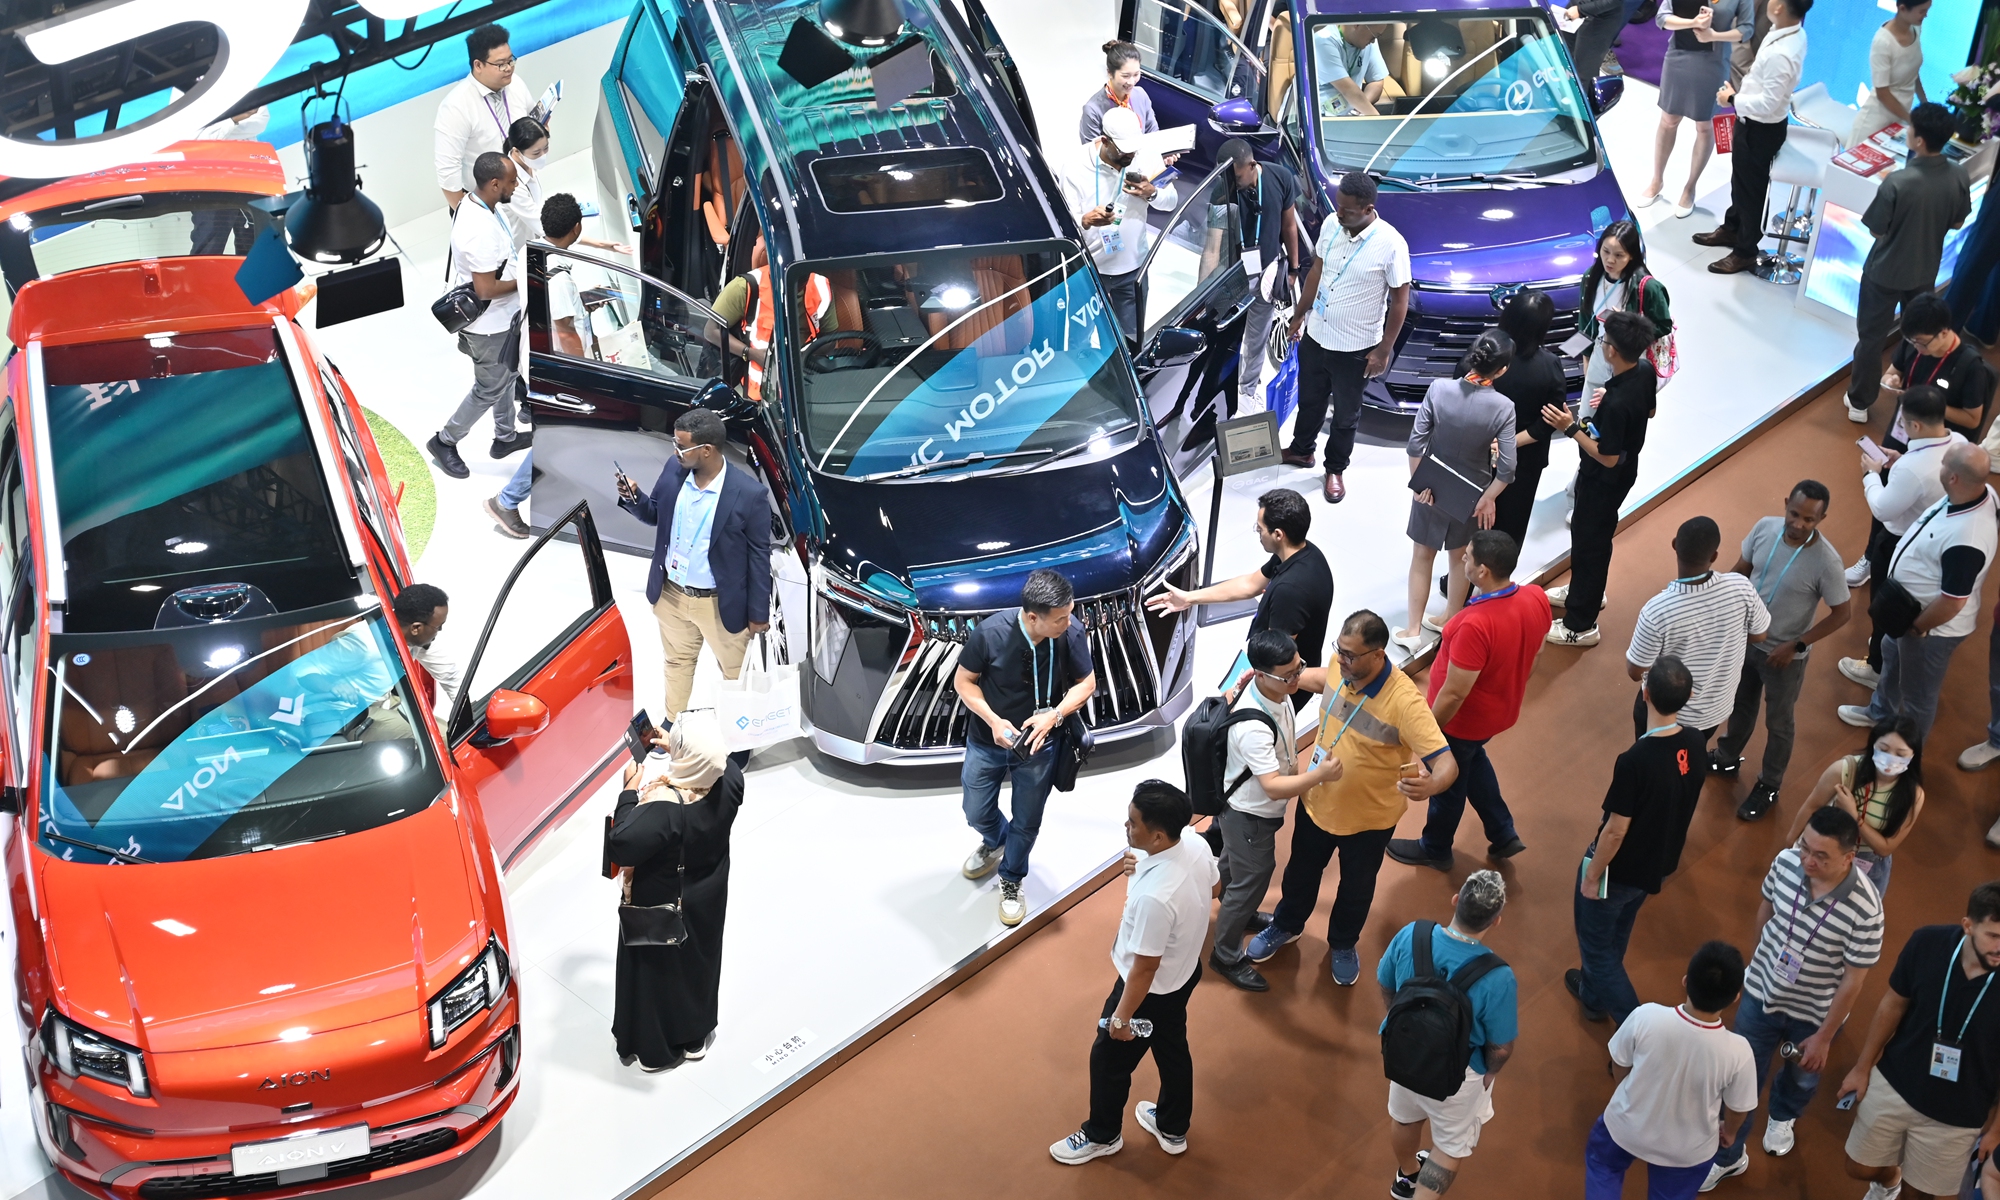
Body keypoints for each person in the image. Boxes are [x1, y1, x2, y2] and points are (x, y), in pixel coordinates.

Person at [1245, 610, 1457, 986]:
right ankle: (1286, 925)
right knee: (1299, 874)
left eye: (1350, 655)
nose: (1341, 660)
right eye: (1339, 650)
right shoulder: (1338, 668)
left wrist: (1431, 785)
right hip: (1316, 802)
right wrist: (1266, 682)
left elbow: (1446, 763)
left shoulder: (1405, 702)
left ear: (1378, 655)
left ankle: (1342, 944)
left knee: (1356, 888)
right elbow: (1311, 679)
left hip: (1369, 822)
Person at [1704, 807, 1882, 1189]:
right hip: (1761, 995)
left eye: (1821, 856)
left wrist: (1824, 1037)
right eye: (1805, 848)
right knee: (1740, 1076)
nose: (1808, 861)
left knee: (1801, 1080)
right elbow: (1766, 908)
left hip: (1815, 1014)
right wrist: (1753, 967)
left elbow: (1853, 981)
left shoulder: (1867, 909)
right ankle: (1728, 1156)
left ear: (1850, 858)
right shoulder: (1786, 863)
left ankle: (1783, 1115)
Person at [1050, 780, 1217, 1165]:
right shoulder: (1194, 842)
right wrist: (1143, 866)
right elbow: (1215, 885)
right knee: (1172, 1047)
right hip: (1184, 974)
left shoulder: (1154, 898)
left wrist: (1121, 1018)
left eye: (1133, 823)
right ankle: (1173, 1127)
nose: (1127, 828)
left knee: (1108, 1060)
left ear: (1158, 835)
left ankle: (1102, 1134)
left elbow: (1144, 968)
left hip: (1150, 993)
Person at [1389, 530, 1548, 871]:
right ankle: (1502, 831)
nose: (1462, 559)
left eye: (1468, 557)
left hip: (1463, 722)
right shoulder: (1535, 597)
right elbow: (1536, 654)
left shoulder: (1474, 624)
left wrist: (1427, 733)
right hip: (1500, 713)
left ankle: (1435, 847)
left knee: (1449, 781)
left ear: (1482, 571)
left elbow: (1455, 691)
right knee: (1474, 762)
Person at [1567, 656, 1708, 1024]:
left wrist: (1593, 873)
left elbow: (1615, 829)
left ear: (1645, 694)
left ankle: (1636, 1028)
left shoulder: (1635, 760)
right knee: (1620, 928)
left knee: (1596, 948)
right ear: (1689, 695)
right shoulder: (1694, 742)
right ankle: (1593, 995)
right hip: (1658, 863)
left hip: (1621, 869)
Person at [956, 569, 1099, 928]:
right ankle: (995, 840)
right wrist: (991, 718)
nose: (1069, 623)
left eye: (1070, 614)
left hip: (1041, 745)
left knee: (1028, 819)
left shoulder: (1071, 632)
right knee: (974, 809)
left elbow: (1087, 683)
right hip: (987, 740)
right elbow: (964, 682)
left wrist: (1055, 715)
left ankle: (1012, 878)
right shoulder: (989, 633)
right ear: (1032, 617)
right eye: (1061, 618)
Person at [1838, 884, 2000, 1200]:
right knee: (1858, 1167)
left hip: (1958, 1115)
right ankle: (1889, 1180)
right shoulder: (1927, 943)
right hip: (1897, 1081)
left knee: (1919, 1196)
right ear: (1968, 926)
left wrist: (1996, 1130)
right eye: (1993, 936)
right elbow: (1892, 1004)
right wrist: (1862, 1067)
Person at [615, 408, 773, 727]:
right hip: (671, 594)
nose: (674, 451)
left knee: (735, 676)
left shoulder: (750, 495)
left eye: (681, 446)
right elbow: (655, 515)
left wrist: (758, 615)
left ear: (706, 450)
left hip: (719, 604)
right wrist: (635, 498)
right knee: (677, 662)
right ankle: (672, 724)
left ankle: (738, 738)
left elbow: (759, 557)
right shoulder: (675, 471)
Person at [606, 713, 742, 1072]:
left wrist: (629, 791)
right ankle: (695, 1035)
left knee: (658, 974)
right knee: (699, 965)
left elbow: (621, 844)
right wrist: (678, 745)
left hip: (663, 901)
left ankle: (658, 1051)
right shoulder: (729, 779)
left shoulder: (665, 810)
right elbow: (715, 762)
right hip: (709, 896)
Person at [1207, 630, 1342, 992]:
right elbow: (1271, 785)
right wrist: (1318, 777)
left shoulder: (1272, 688)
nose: (1298, 678)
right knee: (1254, 875)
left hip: (1247, 810)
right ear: (1263, 674)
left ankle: (1237, 908)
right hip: (1250, 812)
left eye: (1299, 667)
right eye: (1290, 675)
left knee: (1236, 866)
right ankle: (1226, 954)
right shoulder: (1252, 726)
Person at [1839, 443, 1997, 741]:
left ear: (1953, 478)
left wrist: (1916, 628)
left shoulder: (1968, 538)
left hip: (1930, 630)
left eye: (1943, 465)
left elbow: (1952, 602)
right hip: (1909, 613)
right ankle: (1880, 712)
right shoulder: (1976, 492)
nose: (1937, 467)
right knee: (1890, 656)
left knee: (1918, 697)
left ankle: (1907, 757)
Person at [1712, 481, 1851, 820]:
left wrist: (1797, 644)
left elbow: (1843, 614)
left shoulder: (1826, 562)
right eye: (1794, 514)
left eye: (1809, 520)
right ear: (1786, 504)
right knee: (1739, 705)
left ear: (1822, 518)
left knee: (1779, 723)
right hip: (1746, 641)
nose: (1799, 524)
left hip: (1784, 657)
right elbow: (1741, 571)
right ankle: (1727, 757)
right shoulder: (1764, 528)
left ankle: (1769, 784)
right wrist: (1718, 604)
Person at [1379, 872, 1517, 1200]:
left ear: (1456, 900)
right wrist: (1491, 1072)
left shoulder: (1411, 934)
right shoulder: (1498, 976)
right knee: (1449, 1147)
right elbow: (1500, 1047)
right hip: (1459, 1075)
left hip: (1404, 1054)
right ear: (1496, 921)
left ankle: (1407, 1176)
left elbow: (1386, 984)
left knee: (1404, 1118)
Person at [1585, 942, 1756, 1200]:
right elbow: (1738, 1108)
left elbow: (1620, 1062)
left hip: (1625, 1127)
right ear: (1735, 998)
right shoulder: (1739, 1051)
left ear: (1686, 981)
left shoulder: (1646, 1016)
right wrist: (1730, 1131)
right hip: (1688, 1152)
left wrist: (1624, 1091)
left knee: (1603, 1166)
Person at [1843, 104, 1975, 422]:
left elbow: (1876, 227)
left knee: (1871, 339)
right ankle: (1918, 397)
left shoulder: (1897, 182)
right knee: (1923, 337)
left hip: (1884, 272)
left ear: (1919, 140)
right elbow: (1958, 222)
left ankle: (1860, 401)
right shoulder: (1958, 174)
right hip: (1925, 269)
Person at [1285, 172, 1411, 504]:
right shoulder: (1331, 225)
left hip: (1355, 349)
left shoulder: (1392, 244)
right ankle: (1301, 451)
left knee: (1345, 414)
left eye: (1346, 210)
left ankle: (1335, 468)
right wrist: (1300, 312)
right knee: (1309, 400)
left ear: (1368, 209)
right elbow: (1316, 271)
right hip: (1317, 335)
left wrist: (1384, 350)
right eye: (1338, 207)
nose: (1338, 214)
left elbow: (1400, 302)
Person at [1541, 311, 1658, 647]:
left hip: (1605, 478)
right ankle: (1584, 591)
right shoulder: (1644, 371)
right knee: (1588, 535)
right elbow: (1649, 410)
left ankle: (1581, 623)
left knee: (1591, 541)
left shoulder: (1618, 402)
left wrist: (1569, 427)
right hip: (1622, 471)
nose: (1602, 345)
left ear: (1612, 352)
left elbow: (1606, 456)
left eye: (1605, 341)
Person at [1146, 487, 1334, 692]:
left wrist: (1236, 693)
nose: (1258, 533)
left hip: (1280, 689)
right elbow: (1250, 584)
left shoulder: (1290, 592)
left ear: (1279, 534)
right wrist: (1190, 598)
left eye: (1260, 529)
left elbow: (1278, 663)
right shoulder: (1305, 553)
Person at [1395, 330, 1517, 649]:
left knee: (1422, 557)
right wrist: (1488, 498)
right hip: (1472, 493)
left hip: (1431, 486)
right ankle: (1451, 621)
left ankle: (1411, 632)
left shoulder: (1439, 389)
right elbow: (1507, 468)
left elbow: (1415, 445)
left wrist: (1420, 486)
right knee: (1461, 559)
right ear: (1502, 370)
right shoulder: (1504, 407)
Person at [486, 190, 595, 540]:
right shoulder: (560, 279)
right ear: (576, 228)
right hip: (557, 370)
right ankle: (507, 501)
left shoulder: (531, 250)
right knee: (556, 439)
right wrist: (587, 374)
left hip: (532, 358)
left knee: (557, 437)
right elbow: (565, 331)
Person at [1842, 384, 1965, 687]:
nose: (1902, 426)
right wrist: (1901, 457)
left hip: (1898, 544)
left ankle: (1876, 667)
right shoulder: (1959, 443)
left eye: (1904, 422)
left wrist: (1872, 474)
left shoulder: (1911, 468)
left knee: (1887, 604)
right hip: (1934, 538)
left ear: (1916, 425)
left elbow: (1883, 509)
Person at [426, 152, 528, 480]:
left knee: (507, 374)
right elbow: (485, 290)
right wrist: (526, 281)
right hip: (488, 326)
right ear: (495, 183)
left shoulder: (473, 203)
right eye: (512, 181)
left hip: (498, 320)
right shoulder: (479, 231)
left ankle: (505, 437)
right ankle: (445, 441)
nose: (516, 185)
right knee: (489, 387)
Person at [1626, 517, 1770, 747]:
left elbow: (1635, 671)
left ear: (1674, 544)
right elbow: (1760, 634)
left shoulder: (1657, 610)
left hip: (1663, 712)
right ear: (1714, 556)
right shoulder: (1742, 587)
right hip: (1714, 712)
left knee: (1649, 763)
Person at [1693, 0, 1810, 275]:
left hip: (1760, 128)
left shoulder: (1784, 51)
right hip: (1753, 123)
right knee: (1741, 182)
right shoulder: (1789, 30)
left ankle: (1745, 250)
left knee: (1752, 191)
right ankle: (1733, 228)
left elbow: (1769, 104)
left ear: (1780, 6)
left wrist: (1732, 99)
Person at [1201, 139, 1302, 413]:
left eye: (1236, 175)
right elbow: (1212, 247)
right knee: (1225, 341)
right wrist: (1202, 293)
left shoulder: (1281, 178)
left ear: (1251, 165)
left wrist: (1293, 270)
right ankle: (1214, 397)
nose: (1231, 182)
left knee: (1257, 338)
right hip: (1231, 279)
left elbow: (1289, 225)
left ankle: (1247, 392)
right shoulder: (1223, 190)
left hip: (1267, 275)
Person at [1060, 106, 1177, 342]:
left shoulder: (1146, 154)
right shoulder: (1075, 167)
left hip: (1133, 267)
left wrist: (1152, 193)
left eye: (1134, 150)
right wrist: (1085, 220)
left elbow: (1171, 202)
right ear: (1105, 141)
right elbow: (1064, 225)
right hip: (1090, 270)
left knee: (1131, 340)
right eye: (1124, 151)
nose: (1131, 157)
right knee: (1078, 340)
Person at [1784, 718, 1924, 899]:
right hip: (1829, 850)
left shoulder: (1914, 795)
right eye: (1883, 749)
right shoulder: (1846, 770)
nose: (1890, 758)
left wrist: (1854, 815)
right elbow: (1813, 805)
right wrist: (1789, 844)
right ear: (1873, 745)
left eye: (1900, 753)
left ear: (1913, 756)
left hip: (1868, 861)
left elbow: (1884, 848)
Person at [1637, 0, 1751, 218]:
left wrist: (1713, 36)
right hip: (1678, 55)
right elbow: (1662, 18)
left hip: (1714, 61)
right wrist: (1692, 22)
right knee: (1668, 120)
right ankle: (1656, 180)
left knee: (1704, 126)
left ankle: (1690, 187)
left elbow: (1746, 30)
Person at [707, 232, 832, 404]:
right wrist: (750, 353)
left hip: (807, 385)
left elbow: (831, 338)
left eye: (801, 275)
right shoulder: (745, 287)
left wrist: (804, 356)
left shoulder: (820, 286)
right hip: (756, 392)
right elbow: (711, 331)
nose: (796, 284)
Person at [1489, 290, 1565, 549]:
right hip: (1524, 460)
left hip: (1478, 452)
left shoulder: (1485, 354)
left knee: (1474, 517)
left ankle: (1460, 581)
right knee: (1512, 522)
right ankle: (1498, 582)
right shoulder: (1550, 366)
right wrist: (1509, 442)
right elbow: (1550, 420)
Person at [1873, 295, 1999, 451]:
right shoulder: (1913, 341)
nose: (1917, 347)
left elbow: (1972, 419)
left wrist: (1930, 406)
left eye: (1922, 342)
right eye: (1912, 341)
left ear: (1944, 332)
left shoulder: (1970, 367)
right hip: (1903, 427)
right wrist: (1889, 382)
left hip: (1936, 444)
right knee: (1886, 468)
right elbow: (1889, 374)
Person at [433, 23, 535, 213]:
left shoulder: (516, 84)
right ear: (478, 65)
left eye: (511, 60)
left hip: (524, 189)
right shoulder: (455, 107)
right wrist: (472, 217)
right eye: (501, 64)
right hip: (488, 205)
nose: (509, 68)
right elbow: (447, 171)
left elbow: (533, 120)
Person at [1574, 222, 1672, 413]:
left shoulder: (1647, 287)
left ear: (1632, 255)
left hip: (1630, 358)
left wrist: (1630, 326)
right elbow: (1586, 320)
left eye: (1619, 255)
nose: (1610, 260)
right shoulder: (1591, 278)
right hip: (1601, 351)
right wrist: (1587, 358)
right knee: (1587, 416)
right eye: (1605, 251)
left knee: (1621, 417)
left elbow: (1664, 325)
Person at [497, 117, 628, 255]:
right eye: (536, 153)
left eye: (546, 148)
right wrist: (600, 244)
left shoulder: (526, 162)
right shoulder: (513, 186)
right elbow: (547, 229)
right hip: (520, 246)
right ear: (517, 151)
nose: (542, 156)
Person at [1850, 0, 1931, 145]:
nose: (1926, 15)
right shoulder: (1883, 42)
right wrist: (1911, 120)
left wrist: (1925, 104)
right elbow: (1883, 93)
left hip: (1901, 117)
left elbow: (1913, 72)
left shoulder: (1916, 28)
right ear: (1902, 9)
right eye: (1922, 11)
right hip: (1877, 119)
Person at [392, 583, 459, 712]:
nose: (440, 630)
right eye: (437, 627)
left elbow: (450, 676)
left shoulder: (419, 641)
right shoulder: (363, 646)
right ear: (416, 628)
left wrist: (468, 710)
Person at [1079, 40, 1161, 143]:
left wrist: (1163, 155)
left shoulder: (1141, 95)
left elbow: (1152, 134)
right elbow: (1092, 153)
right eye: (1125, 76)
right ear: (1109, 72)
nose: (1131, 82)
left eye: (1136, 74)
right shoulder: (1093, 110)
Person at [1565, 0, 1627, 85]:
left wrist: (1581, 10)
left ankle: (1585, 96)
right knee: (1563, 54)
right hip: (1575, 7)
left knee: (1584, 71)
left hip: (1602, 16)